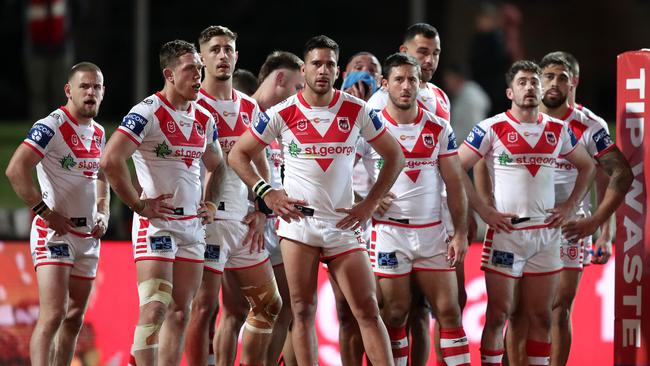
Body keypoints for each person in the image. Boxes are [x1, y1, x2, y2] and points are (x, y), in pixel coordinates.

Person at [228, 35, 404, 365]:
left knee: (367, 309)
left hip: (342, 223)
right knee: (303, 311)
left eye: (330, 64)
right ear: (304, 69)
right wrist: (267, 193)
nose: (323, 70)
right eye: (316, 64)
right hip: (299, 225)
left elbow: (395, 156)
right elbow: (238, 154)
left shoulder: (356, 109)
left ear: (338, 71)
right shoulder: (283, 112)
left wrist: (368, 204)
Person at [457, 60, 595, 366]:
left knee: (542, 318)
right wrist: (484, 211)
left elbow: (588, 166)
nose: (530, 87)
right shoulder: (491, 128)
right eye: (522, 82)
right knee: (498, 315)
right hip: (507, 233)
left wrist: (570, 205)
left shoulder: (558, 130)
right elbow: (455, 167)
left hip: (546, 236)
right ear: (510, 91)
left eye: (535, 82)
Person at [100, 40, 225, 366]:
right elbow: (111, 160)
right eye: (190, 69)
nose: (199, 75)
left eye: (200, 68)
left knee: (181, 312)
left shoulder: (204, 117)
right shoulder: (147, 112)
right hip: (156, 224)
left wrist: (210, 203)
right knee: (156, 305)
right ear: (169, 74)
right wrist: (138, 206)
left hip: (192, 226)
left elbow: (218, 164)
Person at [505, 53, 633, 366]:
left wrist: (602, 227)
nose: (554, 83)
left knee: (559, 308)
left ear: (573, 83)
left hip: (569, 229)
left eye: (563, 77)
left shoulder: (590, 126)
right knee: (518, 310)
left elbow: (616, 173)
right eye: (548, 76)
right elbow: (486, 164)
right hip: (523, 225)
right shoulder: (520, 117)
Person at [182, 25, 279, 366]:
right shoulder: (191, 104)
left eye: (228, 49)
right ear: (202, 59)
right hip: (205, 221)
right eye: (215, 50)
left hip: (243, 222)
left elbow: (263, 163)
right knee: (204, 307)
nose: (222, 55)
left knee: (269, 304)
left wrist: (262, 210)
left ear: (237, 56)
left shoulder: (251, 107)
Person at [368, 52, 471, 366]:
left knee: (450, 311)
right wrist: (366, 199)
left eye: (412, 79)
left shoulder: (439, 127)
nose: (406, 86)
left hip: (431, 232)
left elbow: (455, 182)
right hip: (389, 232)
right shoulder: (369, 126)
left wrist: (461, 233)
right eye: (398, 79)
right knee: (395, 313)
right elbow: (344, 170)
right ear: (385, 84)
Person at [6, 62, 109, 366]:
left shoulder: (99, 132)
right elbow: (15, 170)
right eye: (84, 87)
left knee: (75, 317)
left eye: (97, 87)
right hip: (55, 234)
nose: (91, 93)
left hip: (88, 236)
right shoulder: (51, 125)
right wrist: (45, 213)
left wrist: (103, 211)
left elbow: (103, 174)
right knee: (53, 314)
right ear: (69, 90)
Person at [252, 50, 305, 366]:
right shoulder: (245, 110)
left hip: (280, 226)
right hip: (249, 224)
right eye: (298, 87)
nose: (301, 95)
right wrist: (258, 206)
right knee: (245, 310)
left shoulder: (287, 120)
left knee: (289, 306)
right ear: (281, 79)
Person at [442, 62, 491, 142]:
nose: (446, 81)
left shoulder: (470, 97)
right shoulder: (463, 93)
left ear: (457, 77)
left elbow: (474, 127)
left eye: (448, 77)